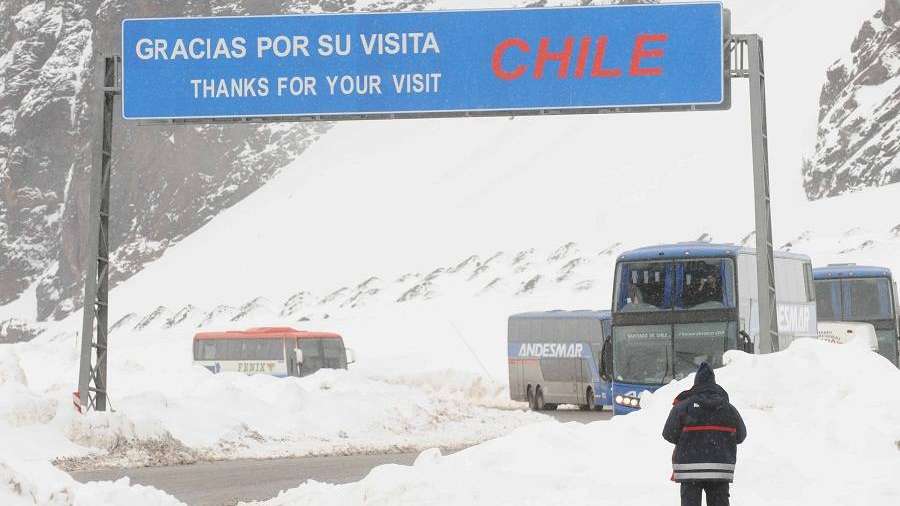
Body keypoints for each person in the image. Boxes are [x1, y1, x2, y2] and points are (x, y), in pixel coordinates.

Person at [662, 362, 747, 506]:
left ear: (696, 383)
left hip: (689, 471)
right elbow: (741, 435)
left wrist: (688, 440)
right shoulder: (728, 408)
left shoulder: (684, 406)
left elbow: (669, 434)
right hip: (720, 470)